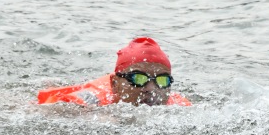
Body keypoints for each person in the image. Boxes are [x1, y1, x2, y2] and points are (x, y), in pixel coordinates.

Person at [37, 37, 190, 107]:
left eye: (162, 80)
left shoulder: (178, 106)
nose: (151, 89)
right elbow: (45, 114)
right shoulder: (92, 101)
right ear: (115, 83)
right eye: (138, 78)